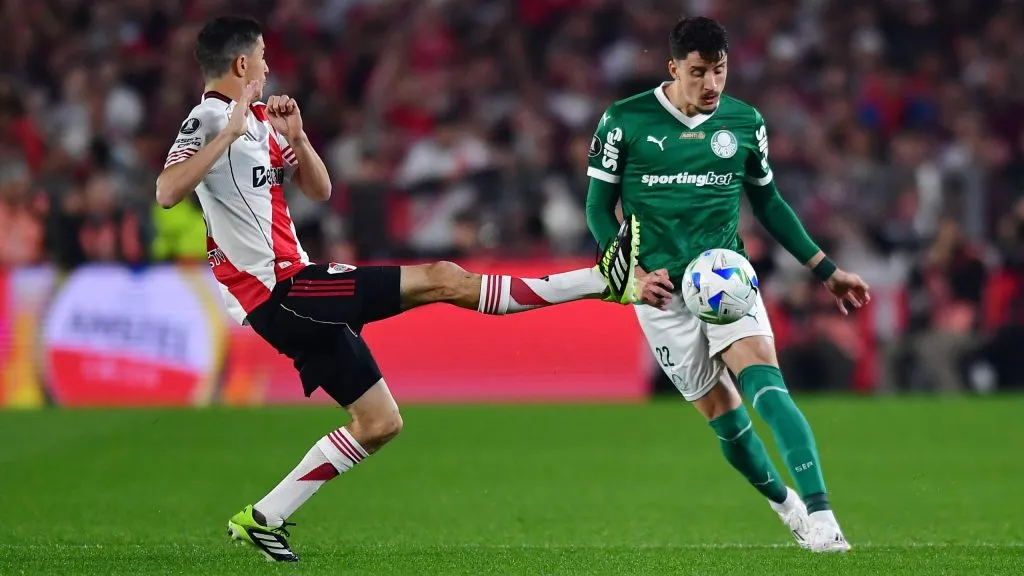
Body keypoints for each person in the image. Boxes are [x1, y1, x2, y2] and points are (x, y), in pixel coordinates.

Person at [155, 16, 640, 562]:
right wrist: (228, 130)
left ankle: (264, 517)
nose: (269, 65)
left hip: (296, 291)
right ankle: (600, 279)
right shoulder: (208, 118)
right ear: (242, 64)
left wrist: (298, 138)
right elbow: (168, 191)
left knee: (380, 423)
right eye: (263, 56)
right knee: (443, 279)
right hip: (284, 292)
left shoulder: (262, 121)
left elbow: (319, 188)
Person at [584, 16, 871, 553]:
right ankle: (786, 506)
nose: (712, 84)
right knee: (725, 421)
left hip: (724, 281)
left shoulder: (743, 122)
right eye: (698, 73)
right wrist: (634, 275)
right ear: (673, 69)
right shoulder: (624, 121)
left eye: (719, 70)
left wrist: (827, 271)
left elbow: (768, 202)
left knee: (767, 385)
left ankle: (823, 514)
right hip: (661, 294)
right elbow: (599, 208)